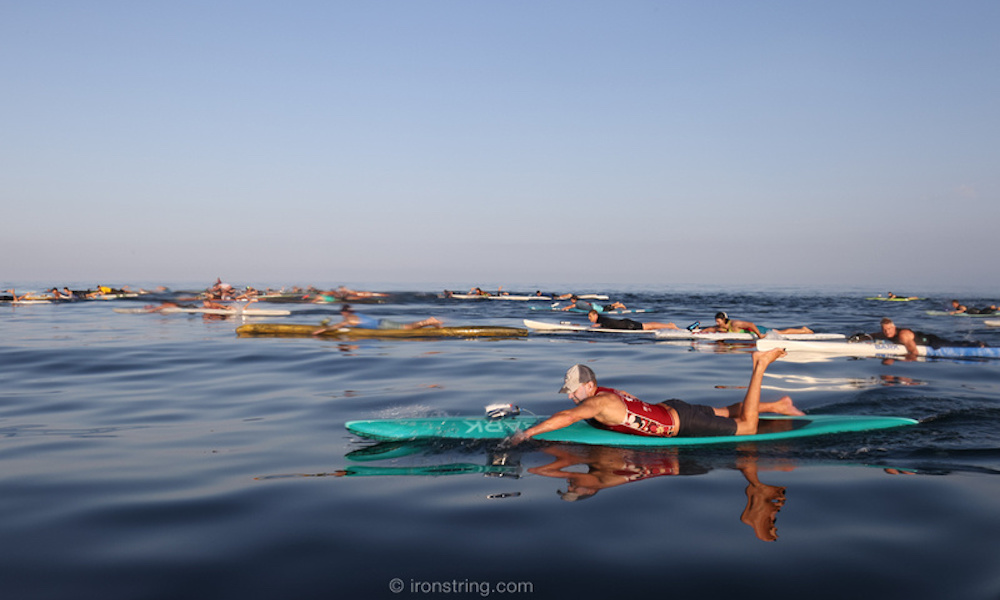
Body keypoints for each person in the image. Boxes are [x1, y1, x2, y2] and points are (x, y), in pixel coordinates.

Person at [510, 348, 803, 444]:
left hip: (682, 425)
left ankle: (760, 365)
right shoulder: (605, 391)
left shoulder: (596, 401)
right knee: (726, 411)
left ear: (588, 386)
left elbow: (569, 416)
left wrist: (529, 433)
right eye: (568, 393)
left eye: (574, 391)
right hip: (673, 408)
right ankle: (779, 405)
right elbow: (628, 396)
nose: (571, 397)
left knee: (747, 427)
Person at [865, 318, 985, 358]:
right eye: (884, 330)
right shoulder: (884, 334)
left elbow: (914, 353)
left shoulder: (903, 335)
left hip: (930, 342)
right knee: (953, 342)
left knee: (954, 345)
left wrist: (900, 359)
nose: (887, 332)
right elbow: (872, 336)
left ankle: (978, 345)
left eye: (889, 329)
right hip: (922, 337)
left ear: (894, 327)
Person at [312, 304, 443, 335]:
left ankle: (429, 321)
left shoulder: (349, 319)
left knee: (407, 328)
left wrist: (323, 329)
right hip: (381, 323)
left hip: (382, 326)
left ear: (344, 312)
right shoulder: (355, 315)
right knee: (407, 327)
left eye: (342, 313)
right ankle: (430, 323)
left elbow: (337, 326)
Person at [696, 312, 813, 337]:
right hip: (753, 332)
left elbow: (751, 324)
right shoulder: (720, 326)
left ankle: (804, 330)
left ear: (724, 320)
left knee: (780, 332)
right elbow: (712, 328)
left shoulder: (735, 324)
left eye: (718, 321)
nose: (717, 323)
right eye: (716, 321)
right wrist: (699, 330)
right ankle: (803, 330)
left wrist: (759, 335)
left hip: (758, 330)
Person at [587, 310, 680, 331]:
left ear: (595, 315)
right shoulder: (601, 319)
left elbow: (608, 322)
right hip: (625, 323)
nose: (589, 319)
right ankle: (668, 325)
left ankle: (670, 326)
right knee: (647, 326)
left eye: (590, 317)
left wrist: (600, 326)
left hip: (627, 325)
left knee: (647, 326)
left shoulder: (601, 319)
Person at [559, 295, 627, 312]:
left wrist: (563, 309)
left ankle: (618, 306)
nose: (571, 301)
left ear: (574, 300)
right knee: (603, 307)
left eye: (571, 300)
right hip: (593, 305)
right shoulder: (580, 301)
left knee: (604, 310)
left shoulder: (577, 303)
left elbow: (571, 306)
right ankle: (615, 304)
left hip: (594, 308)